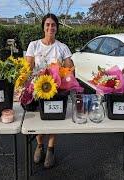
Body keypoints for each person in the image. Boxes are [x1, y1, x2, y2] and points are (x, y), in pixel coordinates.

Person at [25, 13, 74, 168]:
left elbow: (70, 69)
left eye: (53, 25)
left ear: (57, 27)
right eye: (47, 24)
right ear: (43, 27)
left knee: (54, 117)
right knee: (41, 119)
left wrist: (66, 71)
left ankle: (51, 148)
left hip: (57, 89)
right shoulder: (34, 45)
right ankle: (40, 145)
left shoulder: (62, 47)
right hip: (38, 87)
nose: (50, 27)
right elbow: (27, 69)